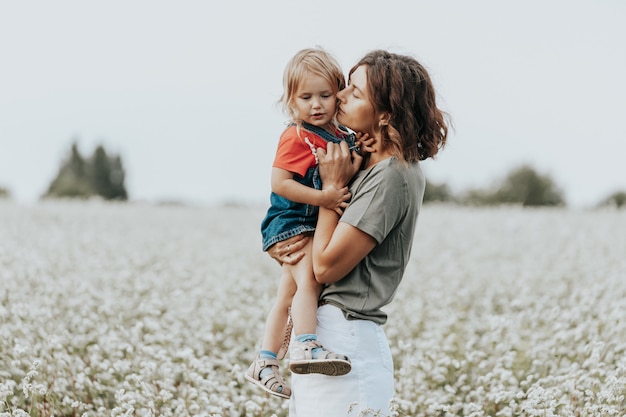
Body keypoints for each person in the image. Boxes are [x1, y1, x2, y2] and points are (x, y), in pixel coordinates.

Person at [268, 50, 449, 416]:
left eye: (355, 91)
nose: (340, 96)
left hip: (345, 338)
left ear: (385, 113)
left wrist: (328, 193)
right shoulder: (367, 164)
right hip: (323, 341)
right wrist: (283, 241)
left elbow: (325, 267)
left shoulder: (393, 175)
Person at [246, 47, 368, 400]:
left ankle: (265, 361)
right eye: (306, 97)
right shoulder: (297, 137)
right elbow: (279, 184)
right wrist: (325, 198)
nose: (316, 104)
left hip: (305, 224)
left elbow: (348, 166)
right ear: (291, 101)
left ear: (338, 94)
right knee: (309, 284)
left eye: (325, 95)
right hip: (291, 224)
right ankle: (305, 344)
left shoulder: (338, 134)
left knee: (286, 294)